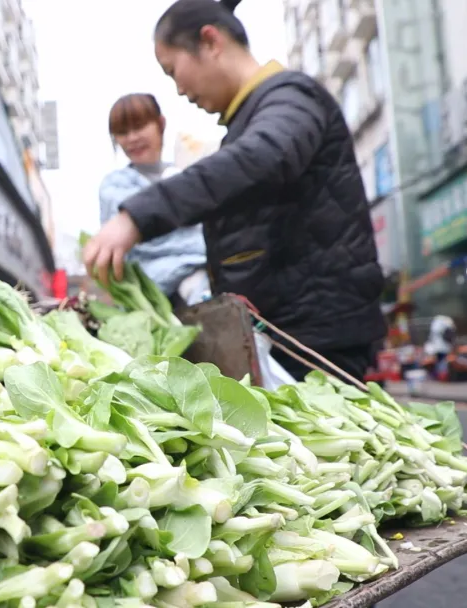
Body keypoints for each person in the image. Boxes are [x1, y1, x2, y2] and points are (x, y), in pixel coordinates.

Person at [82, 0, 387, 383]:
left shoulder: (290, 98)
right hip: (282, 337)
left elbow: (261, 157)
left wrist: (136, 218)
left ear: (210, 42)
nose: (178, 89)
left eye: (174, 70)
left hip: (312, 344)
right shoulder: (249, 121)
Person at [100, 93, 210, 306]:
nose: (132, 138)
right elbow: (135, 247)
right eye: (122, 132)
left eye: (139, 126)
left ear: (160, 124)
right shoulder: (114, 186)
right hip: (146, 299)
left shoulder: (186, 173)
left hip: (204, 285)